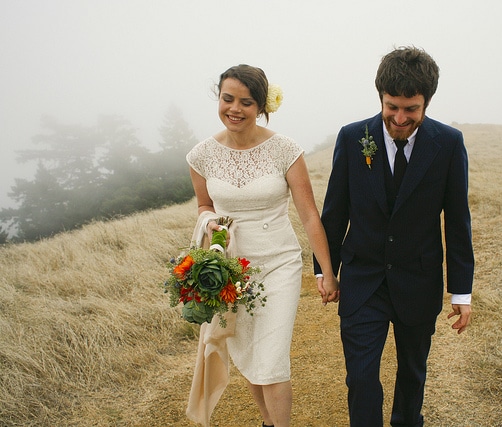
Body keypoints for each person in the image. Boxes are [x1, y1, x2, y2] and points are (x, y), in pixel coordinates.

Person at [314, 46, 474, 426]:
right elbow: (335, 212)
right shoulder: (352, 137)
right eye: (392, 107)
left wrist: (461, 292)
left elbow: (457, 220)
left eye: (411, 109)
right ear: (381, 97)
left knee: (412, 374)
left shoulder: (449, 143)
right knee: (361, 378)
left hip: (419, 280)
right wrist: (325, 271)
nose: (400, 119)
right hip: (362, 280)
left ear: (427, 102)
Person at [186, 64, 339, 427]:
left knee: (271, 359)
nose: (235, 109)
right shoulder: (200, 156)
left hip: (279, 264)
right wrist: (210, 222)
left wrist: (327, 272)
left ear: (261, 106)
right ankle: (269, 421)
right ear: (219, 98)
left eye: (246, 102)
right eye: (228, 99)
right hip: (232, 270)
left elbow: (309, 215)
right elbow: (204, 205)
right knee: (249, 355)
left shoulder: (285, 150)